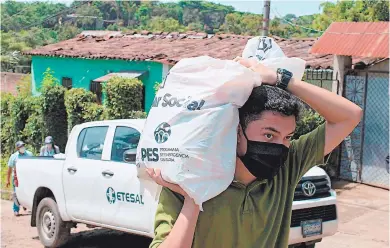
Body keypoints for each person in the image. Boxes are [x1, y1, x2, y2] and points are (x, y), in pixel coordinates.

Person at [147, 58, 363, 248]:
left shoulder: (287, 168)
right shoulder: (189, 178)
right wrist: (193, 201)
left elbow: (350, 115)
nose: (280, 146)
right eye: (269, 135)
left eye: (288, 137)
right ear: (237, 131)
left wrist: (282, 79)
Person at [6, 141, 33, 216]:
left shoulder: (29, 154)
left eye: (23, 146)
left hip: (26, 177)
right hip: (16, 178)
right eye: (21, 147)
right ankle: (16, 209)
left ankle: (26, 205)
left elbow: (33, 166)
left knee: (28, 192)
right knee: (16, 193)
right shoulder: (14, 156)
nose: (22, 148)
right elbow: (9, 169)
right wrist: (7, 180)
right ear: (17, 148)